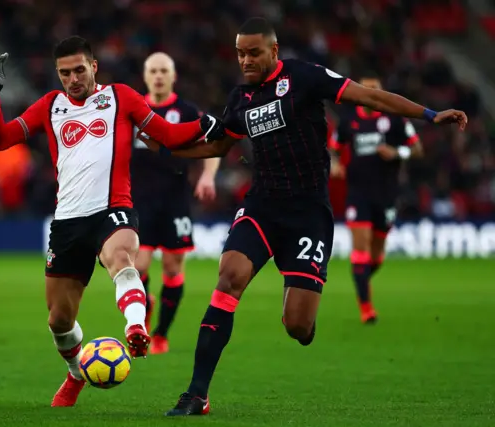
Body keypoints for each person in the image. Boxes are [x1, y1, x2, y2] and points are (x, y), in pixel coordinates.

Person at [139, 17, 467, 416]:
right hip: (262, 205)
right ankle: (196, 394)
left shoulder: (304, 77)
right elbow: (215, 147)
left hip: (308, 213)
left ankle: (301, 309)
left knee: (297, 327)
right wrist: (162, 150)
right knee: (228, 279)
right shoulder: (239, 99)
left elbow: (369, 97)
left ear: (273, 51)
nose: (245, 60)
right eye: (240, 53)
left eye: (253, 52)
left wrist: (429, 114)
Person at [0, 36, 224, 407]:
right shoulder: (50, 106)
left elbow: (168, 134)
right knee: (59, 320)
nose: (73, 78)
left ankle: (136, 325)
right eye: (65, 73)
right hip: (67, 221)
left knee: (121, 259)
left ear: (94, 66)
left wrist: (209, 123)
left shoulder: (121, 97)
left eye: (80, 69)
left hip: (114, 208)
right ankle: (78, 372)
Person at [132, 52, 221, 354]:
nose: (158, 76)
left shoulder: (186, 111)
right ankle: (143, 311)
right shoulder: (134, 110)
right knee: (138, 264)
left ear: (173, 76)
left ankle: (161, 334)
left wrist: (207, 177)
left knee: (172, 267)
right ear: (145, 76)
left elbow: (214, 146)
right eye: (153, 71)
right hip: (138, 201)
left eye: (163, 71)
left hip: (174, 200)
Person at [329, 72, 424, 324]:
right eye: (366, 89)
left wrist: (396, 152)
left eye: (375, 89)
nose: (371, 95)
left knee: (376, 256)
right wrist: (335, 163)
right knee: (360, 251)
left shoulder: (395, 121)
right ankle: (366, 308)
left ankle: (361, 280)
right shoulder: (348, 122)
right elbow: (333, 150)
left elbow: (417, 149)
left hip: (386, 194)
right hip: (358, 193)